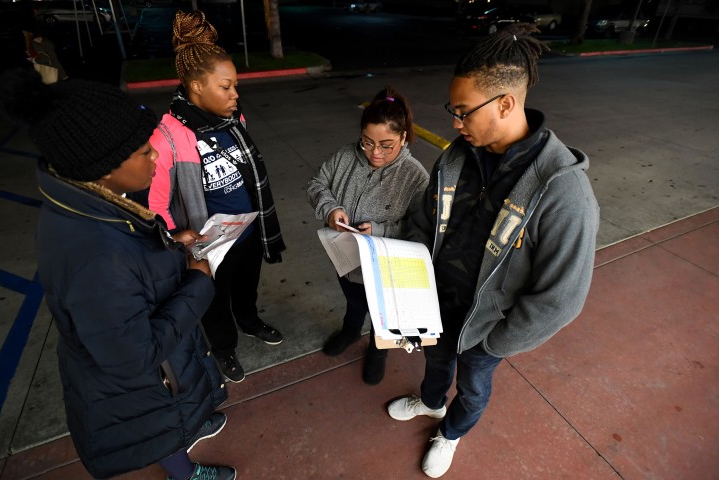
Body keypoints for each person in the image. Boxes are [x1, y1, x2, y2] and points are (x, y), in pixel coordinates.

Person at [0, 68, 236, 480]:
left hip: (159, 375)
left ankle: (192, 420)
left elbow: (131, 261)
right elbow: (135, 357)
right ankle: (186, 472)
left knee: (172, 414)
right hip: (146, 384)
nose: (156, 156)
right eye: (144, 151)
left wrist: (173, 243)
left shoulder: (90, 203)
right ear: (103, 167)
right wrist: (198, 283)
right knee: (162, 426)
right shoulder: (95, 257)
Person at [386, 24, 599, 478]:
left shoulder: (562, 190)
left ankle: (452, 432)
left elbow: (561, 298)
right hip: (436, 306)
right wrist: (405, 279)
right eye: (454, 110)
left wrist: (496, 342)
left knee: (474, 386)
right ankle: (429, 404)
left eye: (463, 111)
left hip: (487, 330)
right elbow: (425, 223)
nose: (455, 123)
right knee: (435, 363)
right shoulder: (456, 158)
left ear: (505, 103)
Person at [149, 10, 286, 384]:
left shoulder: (233, 119)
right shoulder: (169, 137)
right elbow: (156, 205)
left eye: (235, 85)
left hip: (247, 230)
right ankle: (224, 348)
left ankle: (250, 319)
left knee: (246, 285)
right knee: (213, 299)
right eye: (225, 87)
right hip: (209, 246)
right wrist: (179, 239)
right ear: (196, 86)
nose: (235, 94)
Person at [306, 86, 429, 385]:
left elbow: (422, 231)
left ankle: (378, 350)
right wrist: (331, 208)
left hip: (385, 270)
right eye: (367, 142)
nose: (375, 152)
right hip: (346, 258)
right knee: (354, 300)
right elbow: (317, 183)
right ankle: (350, 330)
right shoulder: (346, 157)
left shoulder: (415, 177)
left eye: (387, 145)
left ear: (403, 136)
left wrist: (382, 231)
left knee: (380, 313)